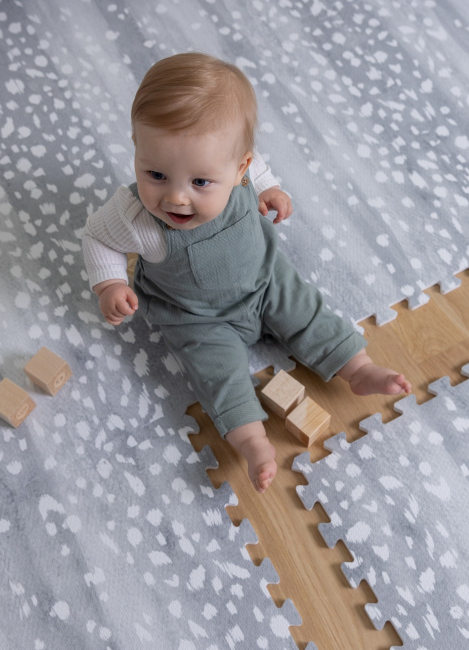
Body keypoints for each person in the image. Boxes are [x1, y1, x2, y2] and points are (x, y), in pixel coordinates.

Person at [81, 52, 411, 493]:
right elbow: (97, 238)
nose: (176, 197)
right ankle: (252, 439)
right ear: (137, 152)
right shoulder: (135, 217)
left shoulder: (240, 167)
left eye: (201, 183)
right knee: (216, 372)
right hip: (196, 315)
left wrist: (270, 187)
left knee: (308, 312)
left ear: (237, 170)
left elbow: (256, 165)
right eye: (156, 174)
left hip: (264, 280)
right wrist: (110, 283)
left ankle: (358, 367)